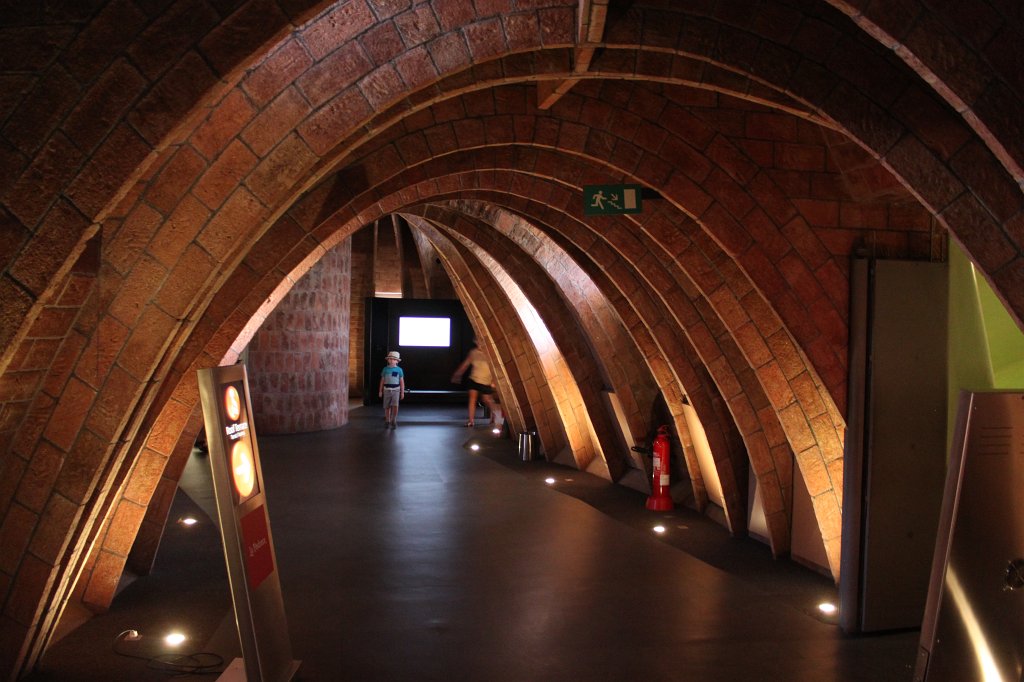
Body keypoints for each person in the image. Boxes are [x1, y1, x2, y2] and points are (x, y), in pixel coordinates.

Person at [451, 340, 497, 427]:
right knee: (472, 399)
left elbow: (495, 368)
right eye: (478, 341)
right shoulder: (473, 353)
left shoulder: (490, 353)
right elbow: (465, 364)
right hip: (474, 379)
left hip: (486, 380)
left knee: (487, 400)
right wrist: (457, 374)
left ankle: (494, 414)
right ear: (476, 342)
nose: (480, 344)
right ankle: (471, 421)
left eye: (482, 341)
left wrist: (493, 381)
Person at [378, 351, 405, 428]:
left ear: (397, 361)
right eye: (390, 359)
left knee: (395, 405)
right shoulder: (385, 369)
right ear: (388, 360)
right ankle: (387, 420)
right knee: (387, 406)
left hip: (396, 390)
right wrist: (380, 391)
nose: (391, 360)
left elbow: (402, 381)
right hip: (386, 390)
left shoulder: (399, 370)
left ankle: (394, 420)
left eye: (393, 359)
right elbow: (382, 380)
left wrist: (402, 392)